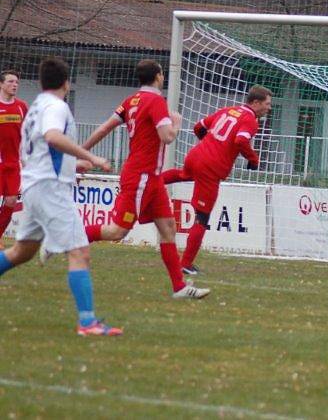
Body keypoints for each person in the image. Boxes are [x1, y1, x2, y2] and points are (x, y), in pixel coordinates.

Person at [0, 57, 122, 336]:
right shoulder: (56, 106)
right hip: (49, 189)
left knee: (21, 252)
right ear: (66, 83)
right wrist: (89, 156)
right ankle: (88, 323)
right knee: (79, 251)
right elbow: (53, 137)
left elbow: (37, 147)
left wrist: (72, 164)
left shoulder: (34, 109)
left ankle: (88, 322)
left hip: (33, 185)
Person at [79, 59, 209, 299]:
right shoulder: (156, 101)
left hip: (153, 178)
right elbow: (167, 137)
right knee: (118, 231)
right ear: (159, 76)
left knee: (168, 228)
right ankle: (66, 236)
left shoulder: (132, 101)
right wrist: (177, 124)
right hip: (140, 176)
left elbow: (104, 128)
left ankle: (179, 287)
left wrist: (81, 152)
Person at [161, 86, 272, 274]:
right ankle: (185, 264)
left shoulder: (228, 110)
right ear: (255, 103)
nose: (269, 108)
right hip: (210, 168)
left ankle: (148, 181)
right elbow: (240, 141)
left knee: (183, 175)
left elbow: (199, 127)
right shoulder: (250, 120)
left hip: (195, 156)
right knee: (202, 217)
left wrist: (210, 145)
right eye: (267, 104)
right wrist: (253, 159)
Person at [0, 70, 27, 248]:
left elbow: (27, 134)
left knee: (11, 201)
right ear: (1, 84)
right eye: (10, 81)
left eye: (16, 82)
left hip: (13, 163)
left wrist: (26, 159)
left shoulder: (21, 107)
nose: (14, 85)